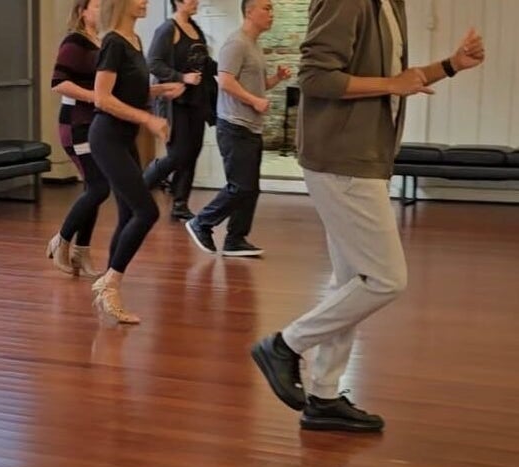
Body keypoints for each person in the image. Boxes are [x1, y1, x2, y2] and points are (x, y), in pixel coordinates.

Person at [250, 0, 485, 432]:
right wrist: (393, 83)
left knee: (351, 283)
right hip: (343, 159)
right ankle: (285, 345)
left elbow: (397, 82)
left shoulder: (389, 4)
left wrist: (451, 65)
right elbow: (316, 77)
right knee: (384, 278)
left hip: (365, 156)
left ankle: (323, 395)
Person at [88, 0, 184, 324]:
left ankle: (108, 286)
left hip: (123, 138)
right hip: (107, 137)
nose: (145, 1)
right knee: (147, 211)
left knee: (129, 213)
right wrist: (147, 118)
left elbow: (127, 91)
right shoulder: (114, 42)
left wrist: (159, 90)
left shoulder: (135, 40)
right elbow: (102, 98)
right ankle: (110, 284)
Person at [184, 0, 290, 257]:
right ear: (249, 11)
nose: (271, 13)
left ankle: (235, 239)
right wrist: (254, 101)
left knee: (250, 188)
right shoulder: (237, 43)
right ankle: (201, 223)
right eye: (266, 8)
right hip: (234, 126)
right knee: (240, 187)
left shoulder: (254, 45)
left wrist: (276, 79)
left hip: (250, 127)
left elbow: (255, 84)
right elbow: (226, 81)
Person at [46, 0, 108, 278]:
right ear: (82, 12)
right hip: (76, 124)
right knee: (99, 187)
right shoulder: (74, 42)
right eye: (96, 6)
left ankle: (81, 250)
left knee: (93, 188)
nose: (102, 10)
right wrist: (95, 97)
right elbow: (59, 82)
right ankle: (61, 239)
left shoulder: (102, 42)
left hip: (95, 124)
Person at [142, 0, 217, 221]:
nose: (197, 2)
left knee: (192, 152)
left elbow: (204, 62)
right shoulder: (167, 29)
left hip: (197, 101)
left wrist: (226, 69)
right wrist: (182, 77)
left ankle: (180, 203)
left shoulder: (195, 28)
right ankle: (142, 185)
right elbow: (153, 63)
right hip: (175, 103)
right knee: (178, 154)